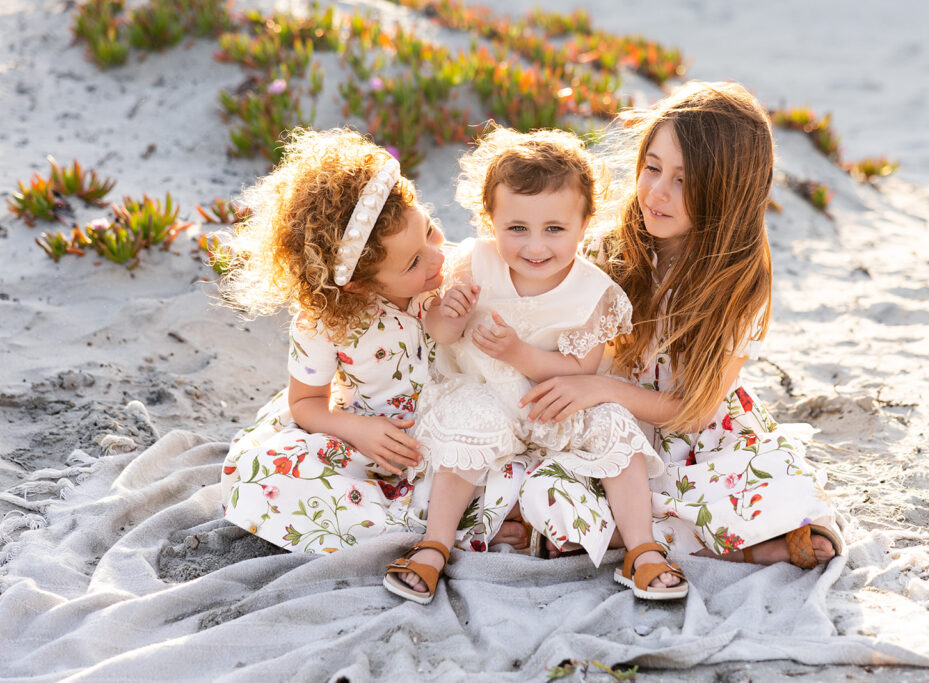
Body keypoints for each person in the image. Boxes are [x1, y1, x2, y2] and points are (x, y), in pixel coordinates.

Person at [518, 82, 844, 569]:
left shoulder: (738, 283)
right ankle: (714, 539)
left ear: (726, 193)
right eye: (652, 168)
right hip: (611, 426)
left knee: (772, 480)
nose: (657, 193)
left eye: (685, 182)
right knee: (544, 486)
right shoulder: (612, 247)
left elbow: (693, 412)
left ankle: (671, 536)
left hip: (695, 435)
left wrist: (602, 389)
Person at [383, 128, 687, 604]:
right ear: (490, 220)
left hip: (558, 402)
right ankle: (433, 545)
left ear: (585, 224)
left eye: (554, 229)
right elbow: (441, 334)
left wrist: (519, 354)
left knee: (614, 425)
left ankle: (642, 548)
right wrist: (452, 313)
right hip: (488, 394)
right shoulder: (475, 264)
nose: (535, 247)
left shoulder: (593, 292)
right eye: (517, 228)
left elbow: (582, 368)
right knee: (467, 420)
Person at [218, 129, 523, 554]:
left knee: (506, 471)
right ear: (360, 285)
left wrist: (457, 309)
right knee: (269, 476)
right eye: (415, 261)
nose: (438, 256)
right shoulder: (324, 323)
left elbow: (457, 333)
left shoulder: (444, 275)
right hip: (367, 441)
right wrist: (359, 430)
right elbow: (305, 403)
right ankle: (436, 530)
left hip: (448, 430)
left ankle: (444, 522)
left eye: (430, 230)